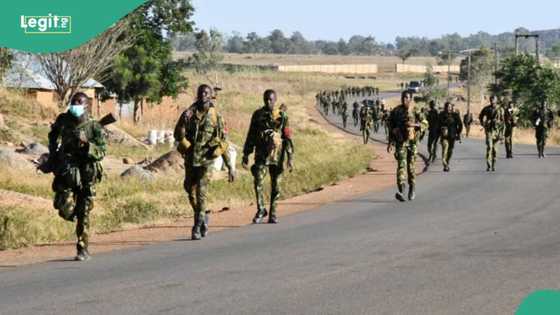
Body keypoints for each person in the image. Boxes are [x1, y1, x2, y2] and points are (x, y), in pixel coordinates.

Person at [47, 92, 107, 261]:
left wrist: (87, 144)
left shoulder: (94, 126)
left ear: (86, 105)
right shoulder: (63, 119)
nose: (75, 105)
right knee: (63, 207)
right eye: (73, 102)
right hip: (68, 170)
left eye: (79, 102)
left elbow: (102, 151)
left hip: (87, 171)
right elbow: (53, 134)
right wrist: (53, 151)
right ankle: (73, 215)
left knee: (85, 212)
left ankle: (82, 248)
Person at [174, 84, 236, 241]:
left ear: (210, 96)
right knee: (189, 189)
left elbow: (223, 143)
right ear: (197, 95)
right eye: (200, 93)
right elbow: (177, 135)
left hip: (206, 161)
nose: (203, 95)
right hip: (190, 159)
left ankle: (196, 226)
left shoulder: (216, 117)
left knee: (201, 192)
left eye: (206, 93)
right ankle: (203, 215)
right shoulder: (189, 113)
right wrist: (182, 121)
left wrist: (230, 167)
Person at [243, 89, 294, 224]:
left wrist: (290, 157)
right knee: (258, 179)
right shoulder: (258, 115)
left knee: (276, 185)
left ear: (275, 100)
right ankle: (261, 208)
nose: (268, 102)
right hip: (261, 153)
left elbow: (287, 137)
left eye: (270, 99)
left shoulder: (282, 116)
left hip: (277, 156)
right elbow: (251, 135)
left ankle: (273, 212)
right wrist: (246, 154)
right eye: (266, 99)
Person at [387, 91, 427, 202]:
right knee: (401, 165)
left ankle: (412, 188)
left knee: (411, 167)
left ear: (410, 99)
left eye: (407, 97)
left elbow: (425, 123)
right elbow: (390, 127)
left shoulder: (415, 110)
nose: (404, 99)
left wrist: (414, 125)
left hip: (412, 143)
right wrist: (390, 142)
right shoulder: (396, 111)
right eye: (403, 97)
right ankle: (401, 190)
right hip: (400, 143)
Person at [479, 95, 505, 172]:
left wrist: (502, 134)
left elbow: (503, 122)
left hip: (497, 131)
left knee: (495, 150)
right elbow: (480, 116)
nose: (492, 100)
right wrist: (483, 123)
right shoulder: (486, 109)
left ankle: (494, 164)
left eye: (494, 99)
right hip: (489, 130)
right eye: (491, 99)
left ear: (496, 100)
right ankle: (488, 165)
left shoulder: (500, 109)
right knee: (489, 147)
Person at [439, 102, 463, 172]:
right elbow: (438, 124)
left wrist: (458, 133)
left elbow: (460, 125)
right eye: (447, 107)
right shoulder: (441, 115)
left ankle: (447, 163)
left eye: (450, 107)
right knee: (445, 149)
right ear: (445, 107)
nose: (448, 108)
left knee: (450, 151)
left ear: (451, 107)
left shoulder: (455, 115)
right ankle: (445, 164)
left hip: (452, 136)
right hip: (444, 136)